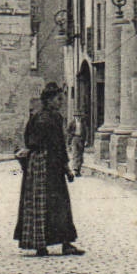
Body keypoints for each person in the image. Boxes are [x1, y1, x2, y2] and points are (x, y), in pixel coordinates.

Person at [14, 83, 84, 258]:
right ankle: (66, 244)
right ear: (49, 100)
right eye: (58, 99)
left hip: (36, 166)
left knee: (38, 204)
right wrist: (66, 168)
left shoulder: (35, 117)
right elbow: (58, 145)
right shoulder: (54, 118)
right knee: (59, 204)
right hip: (51, 165)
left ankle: (40, 245)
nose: (60, 102)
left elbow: (28, 140)